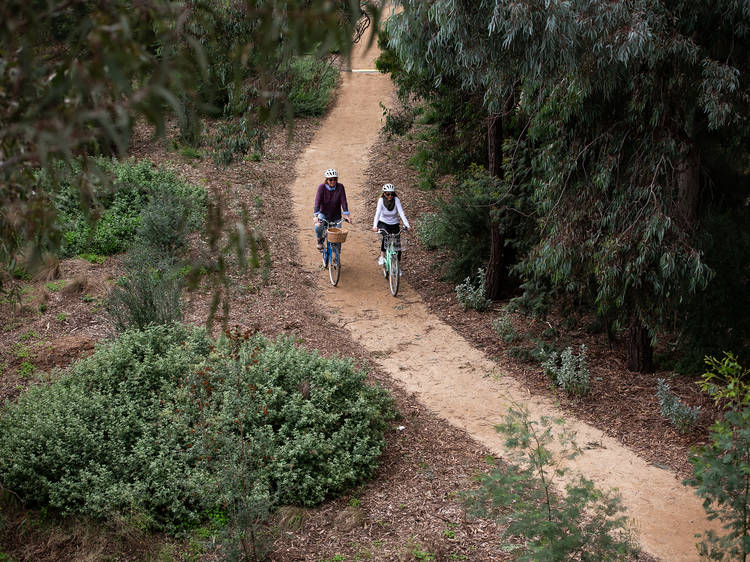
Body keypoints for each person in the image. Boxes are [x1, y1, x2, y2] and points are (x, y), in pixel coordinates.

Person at [371, 183, 410, 266]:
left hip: (394, 223)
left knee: (397, 245)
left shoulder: (396, 200)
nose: (390, 196)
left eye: (392, 194)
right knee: (386, 237)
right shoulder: (381, 201)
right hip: (383, 223)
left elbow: (401, 213)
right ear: (384, 194)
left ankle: (397, 266)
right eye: (388, 194)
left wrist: (407, 225)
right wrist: (375, 226)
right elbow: (377, 214)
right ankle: (382, 256)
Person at [313, 168, 351, 250]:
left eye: (334, 179)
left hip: (336, 216)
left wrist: (346, 214)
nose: (333, 181)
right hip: (324, 213)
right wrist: (316, 216)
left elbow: (344, 201)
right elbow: (317, 202)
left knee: (339, 235)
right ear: (326, 180)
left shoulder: (340, 187)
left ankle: (336, 257)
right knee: (318, 227)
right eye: (330, 180)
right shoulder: (321, 187)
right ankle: (319, 240)